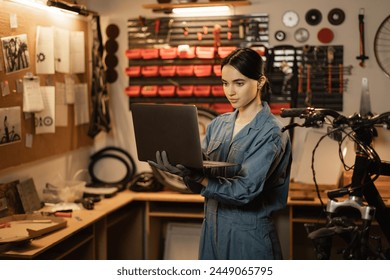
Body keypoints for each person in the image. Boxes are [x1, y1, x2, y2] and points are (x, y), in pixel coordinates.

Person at [149, 47, 292, 260]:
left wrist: (199, 176)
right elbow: (201, 183)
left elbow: (244, 191)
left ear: (260, 82)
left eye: (239, 83)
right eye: (225, 83)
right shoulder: (218, 125)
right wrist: (185, 171)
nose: (230, 91)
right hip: (211, 230)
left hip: (248, 236)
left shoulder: (271, 132)